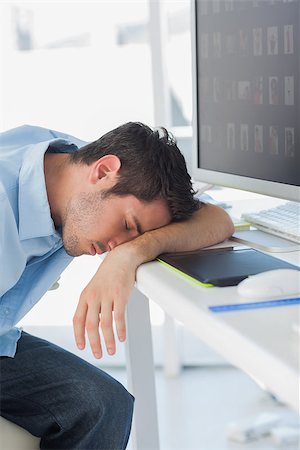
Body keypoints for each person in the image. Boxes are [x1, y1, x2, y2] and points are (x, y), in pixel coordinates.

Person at [0, 122, 234, 449]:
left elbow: (217, 218)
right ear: (103, 172)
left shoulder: (75, 164)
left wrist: (132, 253)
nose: (116, 244)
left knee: (106, 404)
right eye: (127, 225)